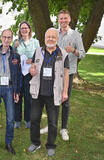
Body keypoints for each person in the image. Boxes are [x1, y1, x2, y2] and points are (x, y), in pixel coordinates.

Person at [40, 10, 86, 141]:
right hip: (54, 72)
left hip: (68, 72)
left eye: (65, 18)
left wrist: (73, 51)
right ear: (58, 20)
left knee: (65, 101)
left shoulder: (75, 35)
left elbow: (82, 54)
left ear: (70, 19)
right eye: (61, 18)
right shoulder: (55, 33)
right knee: (51, 99)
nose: (63, 21)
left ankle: (63, 128)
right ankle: (50, 125)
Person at [27, 28, 69, 156]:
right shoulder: (38, 51)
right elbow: (33, 66)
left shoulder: (62, 53)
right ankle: (35, 143)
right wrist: (31, 70)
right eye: (48, 37)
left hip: (54, 93)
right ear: (44, 38)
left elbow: (66, 74)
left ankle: (50, 145)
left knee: (53, 121)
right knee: (34, 119)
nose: (50, 39)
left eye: (53, 37)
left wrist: (65, 92)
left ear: (57, 39)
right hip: (38, 92)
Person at [13, 21, 40, 129]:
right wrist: (15, 49)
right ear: (20, 30)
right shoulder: (16, 42)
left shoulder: (35, 42)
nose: (24, 30)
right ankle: (17, 120)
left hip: (30, 73)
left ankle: (28, 120)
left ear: (29, 29)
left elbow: (39, 56)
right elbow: (13, 57)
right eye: (22, 28)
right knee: (18, 96)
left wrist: (32, 60)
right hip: (19, 73)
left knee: (29, 98)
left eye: (26, 28)